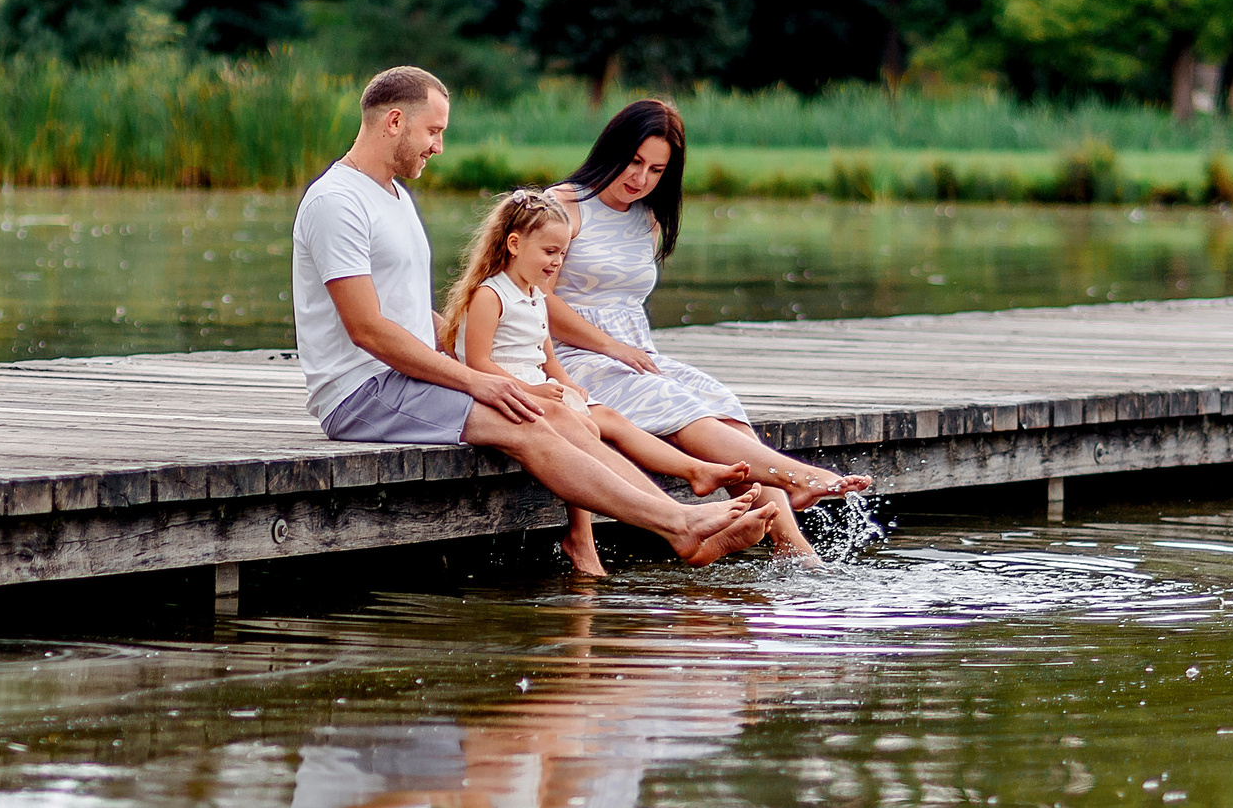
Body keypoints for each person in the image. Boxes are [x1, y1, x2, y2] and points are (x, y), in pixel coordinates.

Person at [292, 66, 773, 567]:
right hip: (362, 393)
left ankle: (678, 523)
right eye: (434, 131)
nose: (438, 147)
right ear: (394, 121)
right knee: (525, 423)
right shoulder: (337, 202)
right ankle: (680, 525)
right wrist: (477, 381)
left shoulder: (391, 195)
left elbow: (408, 315)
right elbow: (367, 328)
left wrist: (481, 349)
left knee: (562, 413)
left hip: (407, 380)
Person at [546, 97, 872, 557]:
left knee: (720, 400)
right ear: (611, 150)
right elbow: (535, 298)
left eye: (657, 170)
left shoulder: (647, 216)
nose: (640, 180)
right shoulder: (562, 206)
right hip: (568, 358)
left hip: (636, 355)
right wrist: (609, 347)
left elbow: (624, 300)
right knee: (673, 401)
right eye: (634, 162)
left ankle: (791, 543)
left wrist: (626, 350)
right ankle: (794, 476)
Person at [439, 188, 758, 576]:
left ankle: (693, 471)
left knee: (602, 419)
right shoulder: (491, 295)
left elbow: (548, 358)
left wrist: (566, 385)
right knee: (583, 427)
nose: (556, 262)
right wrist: (535, 390)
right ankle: (587, 538)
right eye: (549, 252)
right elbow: (478, 363)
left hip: (535, 386)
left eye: (561, 253)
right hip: (500, 391)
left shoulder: (537, 296)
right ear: (514, 244)